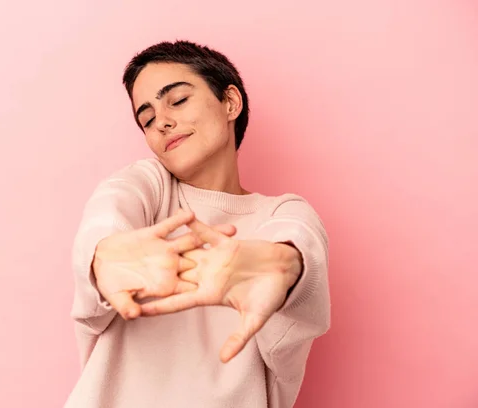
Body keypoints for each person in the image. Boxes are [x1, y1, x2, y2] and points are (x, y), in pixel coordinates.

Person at [63, 40, 330, 408]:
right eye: (147, 118)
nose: (162, 122)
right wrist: (102, 253)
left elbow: (298, 240)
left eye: (177, 100)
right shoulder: (150, 187)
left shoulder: (280, 213)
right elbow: (112, 205)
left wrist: (283, 267)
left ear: (230, 102)